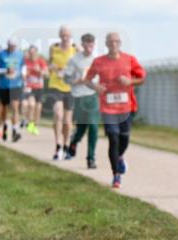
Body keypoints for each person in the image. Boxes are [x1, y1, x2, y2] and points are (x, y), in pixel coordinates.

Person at [85, 33, 146, 188]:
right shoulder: (99, 62)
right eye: (110, 41)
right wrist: (96, 87)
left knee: (124, 138)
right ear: (106, 44)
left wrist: (130, 81)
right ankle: (116, 175)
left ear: (120, 43)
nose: (113, 44)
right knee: (113, 138)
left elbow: (142, 78)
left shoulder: (129, 59)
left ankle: (119, 158)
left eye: (116, 41)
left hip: (126, 107)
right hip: (108, 107)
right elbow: (87, 80)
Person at [64, 33, 101, 169]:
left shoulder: (97, 59)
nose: (89, 48)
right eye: (87, 45)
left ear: (94, 45)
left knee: (93, 126)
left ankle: (91, 158)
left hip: (92, 95)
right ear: (82, 44)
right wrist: (78, 81)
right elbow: (66, 79)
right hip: (79, 96)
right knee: (82, 127)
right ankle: (74, 141)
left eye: (92, 45)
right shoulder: (74, 60)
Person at [46, 26, 77, 159]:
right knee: (58, 114)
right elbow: (48, 64)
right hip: (55, 85)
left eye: (67, 35)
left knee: (67, 121)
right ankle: (58, 145)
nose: (65, 38)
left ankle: (66, 145)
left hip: (70, 87)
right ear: (59, 36)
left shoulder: (75, 49)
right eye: (63, 35)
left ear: (70, 36)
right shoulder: (53, 48)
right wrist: (51, 67)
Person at [0, 38, 26, 142]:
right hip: (4, 85)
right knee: (4, 110)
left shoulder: (20, 54)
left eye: (14, 46)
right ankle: (4, 127)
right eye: (11, 46)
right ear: (7, 45)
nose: (13, 48)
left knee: (15, 107)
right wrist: (5, 70)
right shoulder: (1, 54)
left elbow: (23, 68)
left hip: (16, 85)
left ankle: (15, 131)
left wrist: (22, 74)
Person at [23, 45, 48, 135]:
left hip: (39, 87)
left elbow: (46, 74)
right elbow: (23, 74)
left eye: (33, 52)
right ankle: (30, 124)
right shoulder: (25, 62)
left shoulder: (41, 61)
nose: (32, 54)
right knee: (31, 105)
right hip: (29, 87)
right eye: (30, 53)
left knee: (38, 108)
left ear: (36, 53)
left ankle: (35, 125)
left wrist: (40, 70)